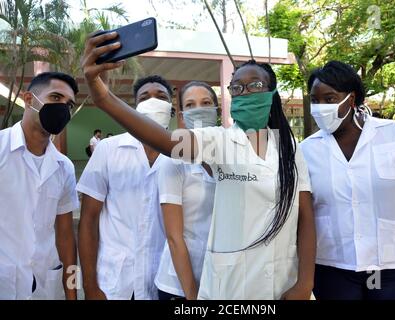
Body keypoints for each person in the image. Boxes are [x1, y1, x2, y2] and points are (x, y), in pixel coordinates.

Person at [81, 31, 316, 300]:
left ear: (272, 93)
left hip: (284, 283)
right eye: (236, 88)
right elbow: (169, 142)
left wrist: (305, 283)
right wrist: (103, 97)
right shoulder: (219, 141)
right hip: (231, 290)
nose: (244, 92)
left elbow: (306, 217)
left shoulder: (291, 148)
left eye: (255, 86)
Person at [300, 60, 395, 300]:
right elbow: (303, 217)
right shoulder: (306, 150)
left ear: (351, 99)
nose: (320, 108)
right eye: (315, 100)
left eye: (329, 99)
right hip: (333, 272)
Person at [77, 75, 173, 300]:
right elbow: (89, 220)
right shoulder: (108, 150)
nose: (153, 101)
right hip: (116, 285)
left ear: (171, 107)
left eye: (161, 97)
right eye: (145, 97)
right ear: (135, 107)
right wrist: (90, 288)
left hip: (166, 283)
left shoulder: (182, 155)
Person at [0, 72, 79, 300]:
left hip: (46, 282)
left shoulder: (64, 167)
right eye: (56, 98)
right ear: (28, 99)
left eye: (69, 104)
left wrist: (72, 293)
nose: (63, 108)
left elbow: (65, 235)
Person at [155, 81, 218, 300]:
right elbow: (174, 237)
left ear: (217, 110)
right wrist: (192, 295)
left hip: (219, 281)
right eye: (190, 105)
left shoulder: (230, 156)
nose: (199, 109)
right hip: (180, 286)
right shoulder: (174, 161)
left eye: (206, 102)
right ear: (182, 116)